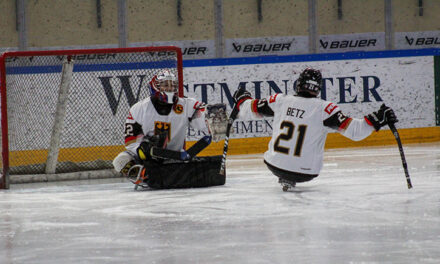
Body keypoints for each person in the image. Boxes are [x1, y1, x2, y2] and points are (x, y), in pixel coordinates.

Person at [233, 68, 398, 191]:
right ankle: (292, 174)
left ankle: (285, 175)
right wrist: (376, 119)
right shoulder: (325, 109)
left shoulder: (280, 100)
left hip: (274, 164)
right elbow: (355, 132)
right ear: (318, 88)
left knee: (281, 160)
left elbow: (248, 109)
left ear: (299, 84)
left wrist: (242, 99)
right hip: (307, 172)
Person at [112, 69, 227, 190]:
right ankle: (145, 176)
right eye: (165, 85)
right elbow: (131, 141)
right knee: (120, 161)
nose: (169, 88)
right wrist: (143, 149)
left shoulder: (186, 105)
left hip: (175, 158)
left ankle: (160, 176)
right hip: (148, 158)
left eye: (172, 85)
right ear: (155, 87)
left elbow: (202, 119)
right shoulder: (139, 109)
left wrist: (212, 120)